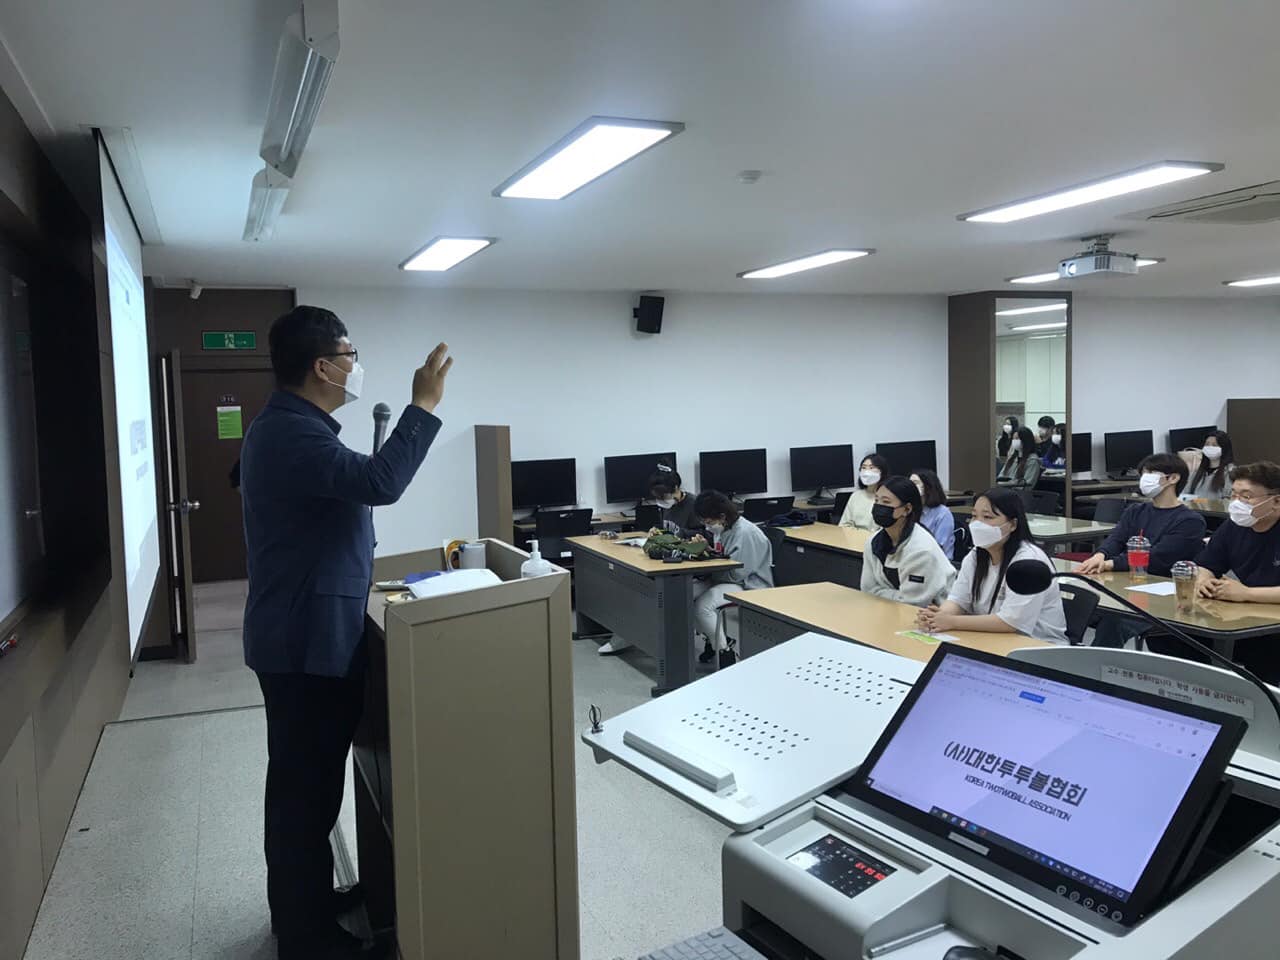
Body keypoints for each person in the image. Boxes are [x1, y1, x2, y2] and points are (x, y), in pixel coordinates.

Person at [241, 306, 451, 960]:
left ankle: (303, 905)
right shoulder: (292, 433)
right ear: (322, 367)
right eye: (350, 354)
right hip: (303, 643)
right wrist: (423, 404)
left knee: (307, 789)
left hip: (307, 634)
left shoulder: (295, 427)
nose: (356, 365)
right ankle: (305, 940)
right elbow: (380, 482)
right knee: (303, 796)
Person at [1077, 454, 1207, 647]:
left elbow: (1157, 558)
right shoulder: (1136, 511)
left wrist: (1109, 564)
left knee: (1114, 622)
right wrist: (1099, 555)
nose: (1145, 478)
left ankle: (1098, 665)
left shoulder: (1190, 521)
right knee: (1076, 605)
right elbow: (1116, 538)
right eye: (1143, 474)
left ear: (1173, 478)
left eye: (1151, 473)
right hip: (1126, 585)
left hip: (1162, 597)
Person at [916, 487, 1068, 643]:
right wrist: (938, 617)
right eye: (974, 516)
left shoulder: (1029, 562)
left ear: (1013, 524)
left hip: (1036, 644)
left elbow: (1010, 622)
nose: (978, 524)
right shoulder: (976, 554)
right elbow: (958, 600)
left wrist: (952, 621)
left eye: (987, 517)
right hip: (991, 637)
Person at [692, 491, 774, 666]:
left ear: (722, 516)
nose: (707, 527)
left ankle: (724, 651)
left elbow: (737, 574)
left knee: (703, 606)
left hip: (748, 585)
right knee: (685, 594)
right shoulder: (725, 528)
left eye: (709, 522)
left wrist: (709, 565)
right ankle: (715, 639)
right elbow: (725, 557)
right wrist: (707, 550)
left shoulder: (746, 533)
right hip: (726, 578)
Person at [861, 476, 956, 606]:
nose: (879, 506)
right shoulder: (873, 542)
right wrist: (896, 595)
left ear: (907, 509)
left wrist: (881, 593)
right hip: (890, 608)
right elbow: (867, 589)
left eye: (886, 502)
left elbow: (914, 602)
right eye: (876, 500)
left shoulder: (921, 549)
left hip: (936, 611)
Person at [910, 469, 955, 559]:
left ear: (928, 486)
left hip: (937, 560)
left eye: (915, 483)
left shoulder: (942, 513)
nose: (910, 487)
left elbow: (939, 547)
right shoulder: (909, 510)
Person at [839, 454, 890, 530]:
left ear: (882, 472)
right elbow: (844, 525)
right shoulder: (856, 495)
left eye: (871, 468)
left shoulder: (888, 498)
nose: (866, 471)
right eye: (863, 468)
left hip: (876, 537)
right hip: (854, 536)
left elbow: (887, 529)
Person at [648, 464, 699, 536]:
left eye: (664, 497)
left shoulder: (693, 504)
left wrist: (683, 533)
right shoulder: (666, 505)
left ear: (676, 488)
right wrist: (657, 529)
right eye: (657, 497)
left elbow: (705, 533)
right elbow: (666, 526)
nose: (661, 501)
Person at [1184, 430, 1235, 500]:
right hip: (1194, 506)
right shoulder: (1195, 472)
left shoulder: (1230, 472)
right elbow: (1185, 496)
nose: (1209, 447)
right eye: (1207, 444)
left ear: (1224, 448)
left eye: (1214, 445)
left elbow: (1228, 500)